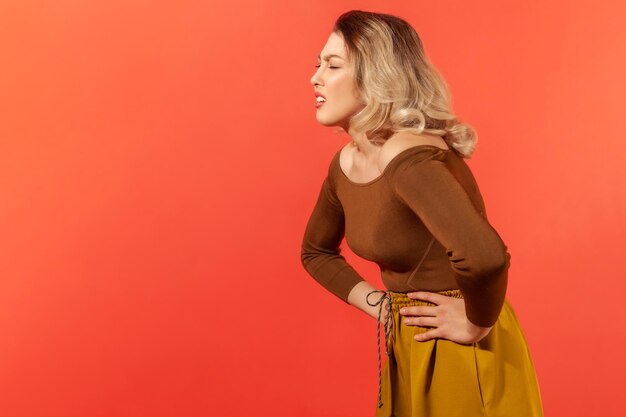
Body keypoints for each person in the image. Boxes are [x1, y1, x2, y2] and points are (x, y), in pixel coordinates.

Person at [300, 10, 544, 417]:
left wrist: (475, 322)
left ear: (375, 77)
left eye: (333, 65)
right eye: (318, 64)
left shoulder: (407, 154)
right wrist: (380, 305)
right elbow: (315, 251)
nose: (316, 77)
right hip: (412, 339)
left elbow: (486, 256)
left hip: (462, 348)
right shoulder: (346, 163)